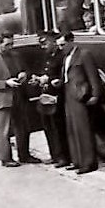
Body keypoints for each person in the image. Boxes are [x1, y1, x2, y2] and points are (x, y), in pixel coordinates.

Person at [0, 32, 41, 167]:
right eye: (7, 44)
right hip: (3, 99)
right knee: (4, 130)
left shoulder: (16, 56)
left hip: (19, 97)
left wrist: (24, 74)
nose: (10, 47)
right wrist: (6, 83)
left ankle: (24, 155)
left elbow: (25, 70)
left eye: (12, 44)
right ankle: (5, 158)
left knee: (23, 127)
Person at [57, 30, 101, 174]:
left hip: (80, 95)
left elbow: (93, 76)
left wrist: (95, 95)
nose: (61, 48)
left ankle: (88, 162)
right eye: (59, 45)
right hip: (69, 94)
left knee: (83, 129)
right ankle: (77, 161)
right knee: (72, 128)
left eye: (63, 44)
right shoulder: (66, 57)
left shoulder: (83, 54)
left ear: (71, 41)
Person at [31, 31, 70, 168]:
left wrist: (50, 79)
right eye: (41, 44)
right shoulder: (46, 56)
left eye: (45, 43)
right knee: (48, 127)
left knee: (58, 127)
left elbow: (62, 75)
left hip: (57, 96)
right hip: (46, 95)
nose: (43, 47)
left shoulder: (61, 56)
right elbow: (43, 72)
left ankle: (64, 157)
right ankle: (54, 155)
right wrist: (37, 79)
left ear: (53, 42)